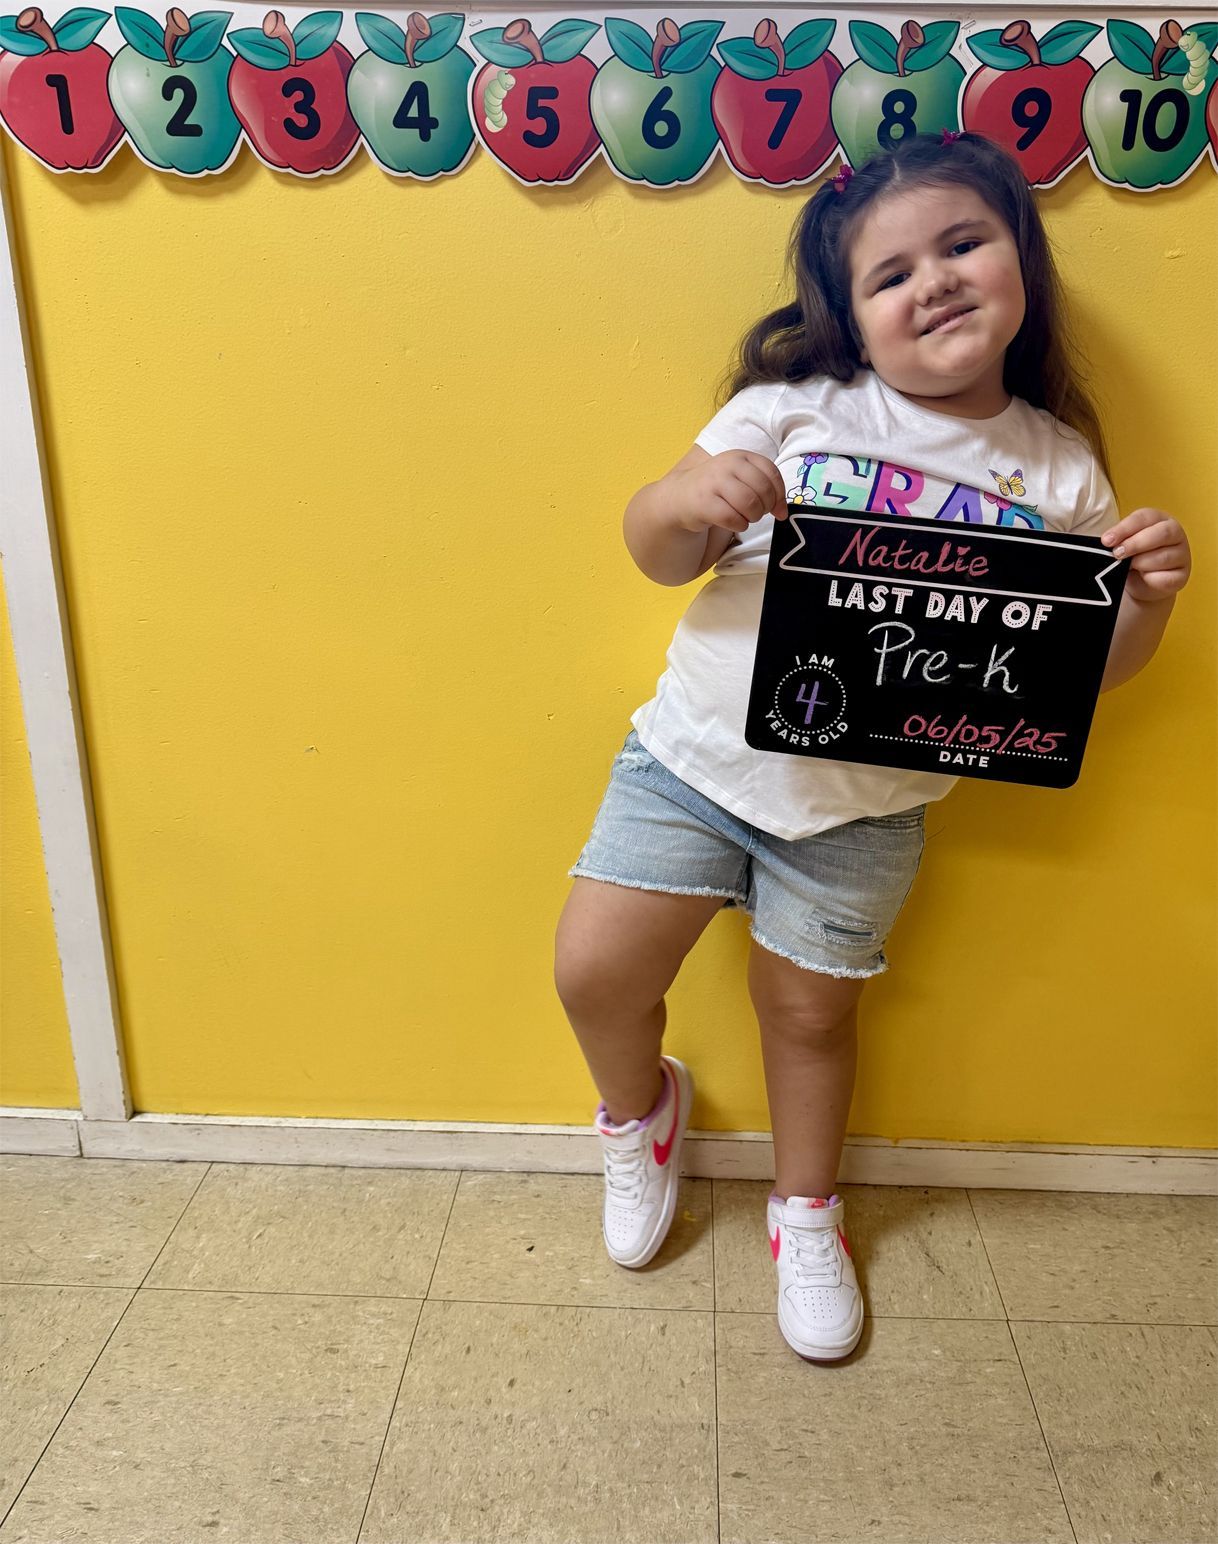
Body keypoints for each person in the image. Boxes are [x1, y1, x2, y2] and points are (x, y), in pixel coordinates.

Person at [553, 132, 1191, 1363]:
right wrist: (692, 501)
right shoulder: (792, 409)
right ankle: (639, 1115)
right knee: (594, 971)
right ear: (849, 315)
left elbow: (1082, 680)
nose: (935, 280)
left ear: (1023, 262)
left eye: (963, 244)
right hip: (693, 759)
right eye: (891, 273)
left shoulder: (1058, 470)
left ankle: (808, 1212)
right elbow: (652, 544)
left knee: (808, 1015)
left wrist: (1148, 603)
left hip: (866, 804)